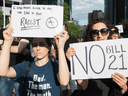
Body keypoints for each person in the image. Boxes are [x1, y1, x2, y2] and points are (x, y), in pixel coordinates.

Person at [0, 17, 69, 96]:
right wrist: (7, 42)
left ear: (49, 47)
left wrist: (60, 48)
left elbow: (64, 81)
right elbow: (3, 71)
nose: (38, 48)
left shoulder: (55, 66)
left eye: (42, 44)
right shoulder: (26, 66)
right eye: (35, 45)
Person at [66, 18, 128, 96]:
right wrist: (75, 62)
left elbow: (122, 90)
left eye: (103, 31)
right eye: (95, 32)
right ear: (91, 35)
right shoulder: (84, 54)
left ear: (108, 33)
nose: (99, 35)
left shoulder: (120, 52)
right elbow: (84, 86)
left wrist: (124, 87)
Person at [55, 24, 79, 96]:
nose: (61, 35)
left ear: (67, 32)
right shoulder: (58, 40)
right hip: (61, 67)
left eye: (63, 33)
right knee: (63, 87)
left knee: (73, 87)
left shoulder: (73, 40)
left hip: (71, 68)